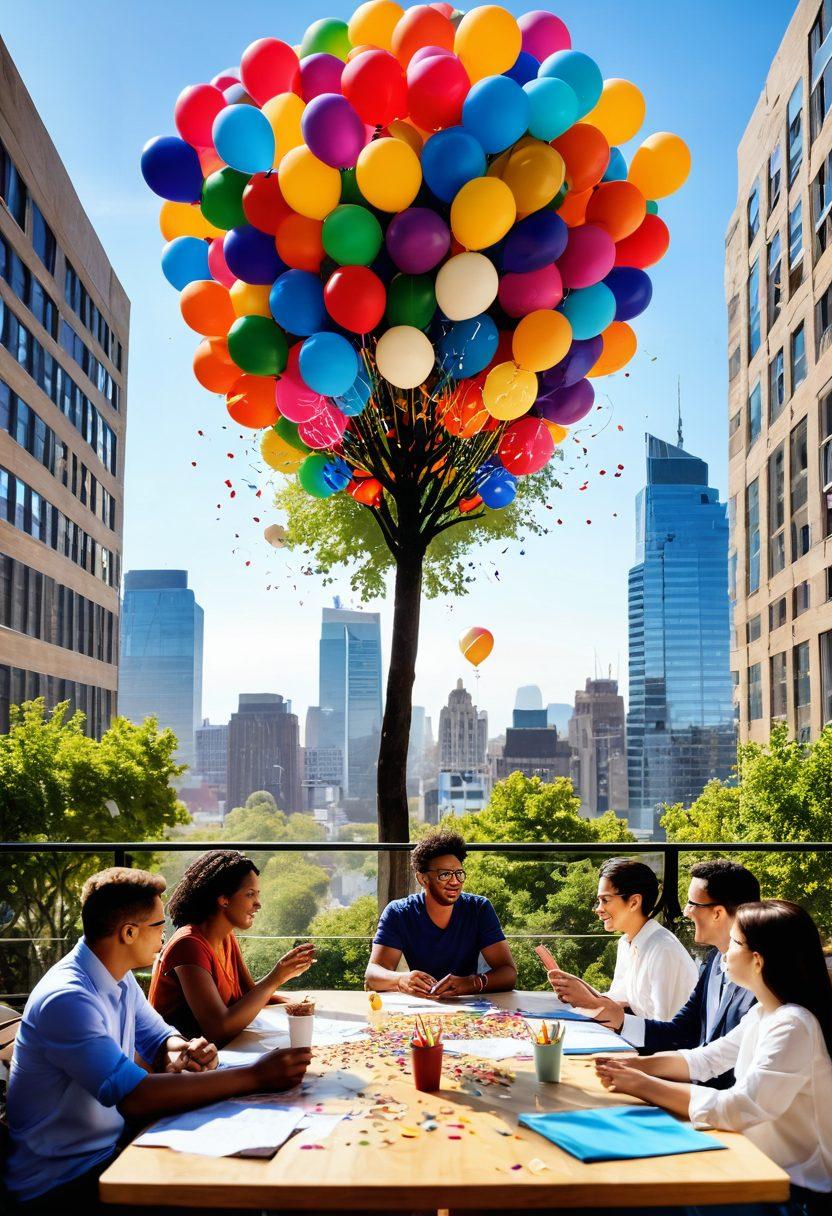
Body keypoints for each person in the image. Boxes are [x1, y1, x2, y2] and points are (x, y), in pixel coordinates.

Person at [6, 867, 311, 1213]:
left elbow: (160, 1036)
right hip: (63, 1182)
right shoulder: (68, 999)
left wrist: (186, 1048)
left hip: (112, 1148)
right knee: (236, 1194)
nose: (164, 937)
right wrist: (255, 1076)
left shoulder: (118, 979)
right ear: (129, 933)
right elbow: (134, 1098)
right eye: (158, 927)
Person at [595, 900, 832, 1215]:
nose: (725, 951)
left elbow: (741, 1106)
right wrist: (629, 1065)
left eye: (734, 942)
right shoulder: (765, 1013)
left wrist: (643, 1085)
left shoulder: (793, 1024)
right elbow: (705, 1059)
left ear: (757, 961)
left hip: (794, 1192)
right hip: (755, 1163)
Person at [614, 859, 760, 1087]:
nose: (686, 911)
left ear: (718, 913)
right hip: (700, 1090)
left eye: (693, 903)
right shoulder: (714, 961)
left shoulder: (763, 982)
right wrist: (620, 1022)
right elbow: (681, 1030)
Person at [149, 849, 315, 1046]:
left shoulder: (226, 937)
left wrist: (298, 1003)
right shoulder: (188, 944)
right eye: (250, 894)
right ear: (224, 899)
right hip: (182, 1065)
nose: (258, 904)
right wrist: (276, 977)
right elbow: (218, 1029)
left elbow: (248, 995)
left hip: (222, 1053)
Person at [365, 829, 517, 997]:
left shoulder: (479, 908)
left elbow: (508, 973)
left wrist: (471, 983)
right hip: (419, 1008)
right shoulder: (399, 912)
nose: (454, 882)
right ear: (422, 879)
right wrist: (400, 980)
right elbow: (372, 975)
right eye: (445, 874)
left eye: (459, 874)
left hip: (469, 1007)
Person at [547, 857, 698, 1022]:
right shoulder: (626, 943)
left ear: (634, 902)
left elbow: (666, 1028)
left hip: (664, 1045)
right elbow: (619, 999)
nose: (598, 909)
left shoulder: (663, 949)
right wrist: (579, 992)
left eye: (605, 900)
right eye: (599, 901)